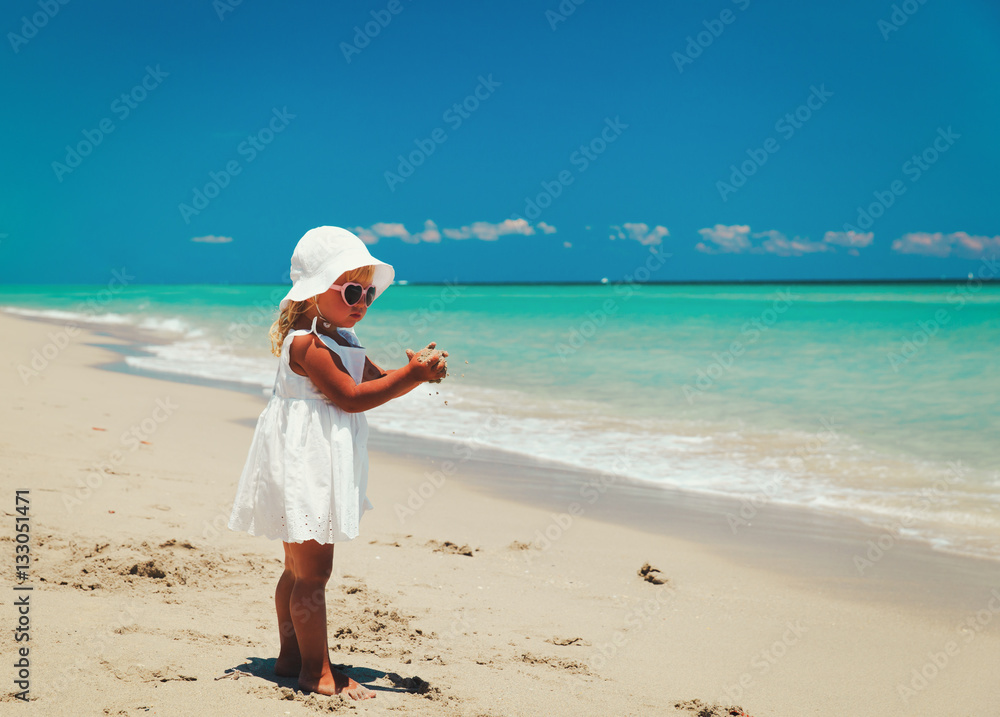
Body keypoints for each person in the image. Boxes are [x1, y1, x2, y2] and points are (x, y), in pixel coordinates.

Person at [227, 226, 447, 700]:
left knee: (296, 569)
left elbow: (375, 378)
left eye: (368, 292)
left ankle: (291, 657)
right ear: (312, 292)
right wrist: (409, 377)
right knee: (313, 574)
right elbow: (350, 398)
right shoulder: (307, 344)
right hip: (305, 463)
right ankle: (314, 671)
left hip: (313, 461)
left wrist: (418, 372)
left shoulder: (341, 336)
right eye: (351, 290)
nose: (362, 300)